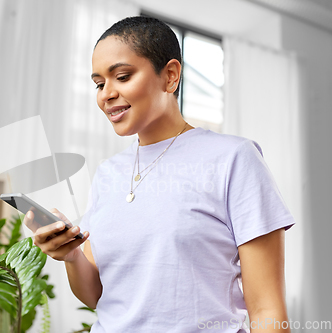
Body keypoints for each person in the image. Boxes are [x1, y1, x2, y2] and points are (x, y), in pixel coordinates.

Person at [24, 16, 295, 332]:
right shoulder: (108, 174)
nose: (106, 94)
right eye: (99, 84)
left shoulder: (234, 159)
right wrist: (71, 256)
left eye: (122, 77)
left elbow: (267, 309)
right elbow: (97, 296)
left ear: (170, 75)